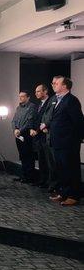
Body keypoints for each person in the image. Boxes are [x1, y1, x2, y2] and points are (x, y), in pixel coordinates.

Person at [48, 76, 84, 206]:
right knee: (61, 169)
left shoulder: (71, 100)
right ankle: (64, 193)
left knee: (71, 169)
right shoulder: (57, 100)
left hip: (68, 143)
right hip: (58, 142)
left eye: (56, 83)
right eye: (53, 83)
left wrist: (75, 140)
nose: (53, 85)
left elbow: (78, 122)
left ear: (65, 86)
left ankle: (74, 196)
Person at [30, 84, 56, 189]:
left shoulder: (51, 102)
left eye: (38, 91)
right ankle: (43, 180)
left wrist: (40, 129)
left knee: (50, 162)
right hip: (39, 137)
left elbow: (49, 118)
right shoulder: (39, 104)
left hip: (46, 136)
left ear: (45, 92)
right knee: (42, 160)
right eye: (36, 91)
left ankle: (52, 183)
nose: (36, 93)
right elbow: (36, 119)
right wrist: (32, 129)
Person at [11, 91, 37, 184]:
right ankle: (24, 176)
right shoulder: (18, 108)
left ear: (28, 97)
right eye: (19, 96)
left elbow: (29, 122)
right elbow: (14, 120)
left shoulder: (32, 107)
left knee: (28, 156)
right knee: (22, 156)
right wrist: (15, 130)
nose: (20, 98)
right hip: (18, 135)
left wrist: (20, 130)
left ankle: (30, 177)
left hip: (26, 135)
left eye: (22, 96)